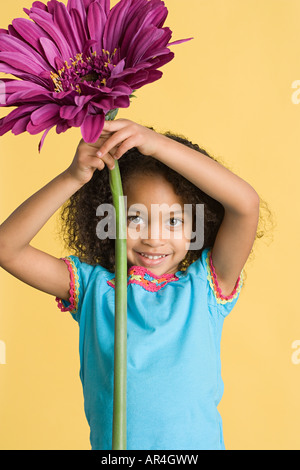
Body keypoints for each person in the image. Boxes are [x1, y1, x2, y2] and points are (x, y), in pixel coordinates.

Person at [0, 118, 262, 450]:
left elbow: (245, 205)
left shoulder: (207, 287)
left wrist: (157, 144)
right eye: (135, 218)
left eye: (174, 220)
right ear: (106, 219)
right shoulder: (93, 289)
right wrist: (73, 177)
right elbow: (7, 248)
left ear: (197, 225)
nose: (154, 237)